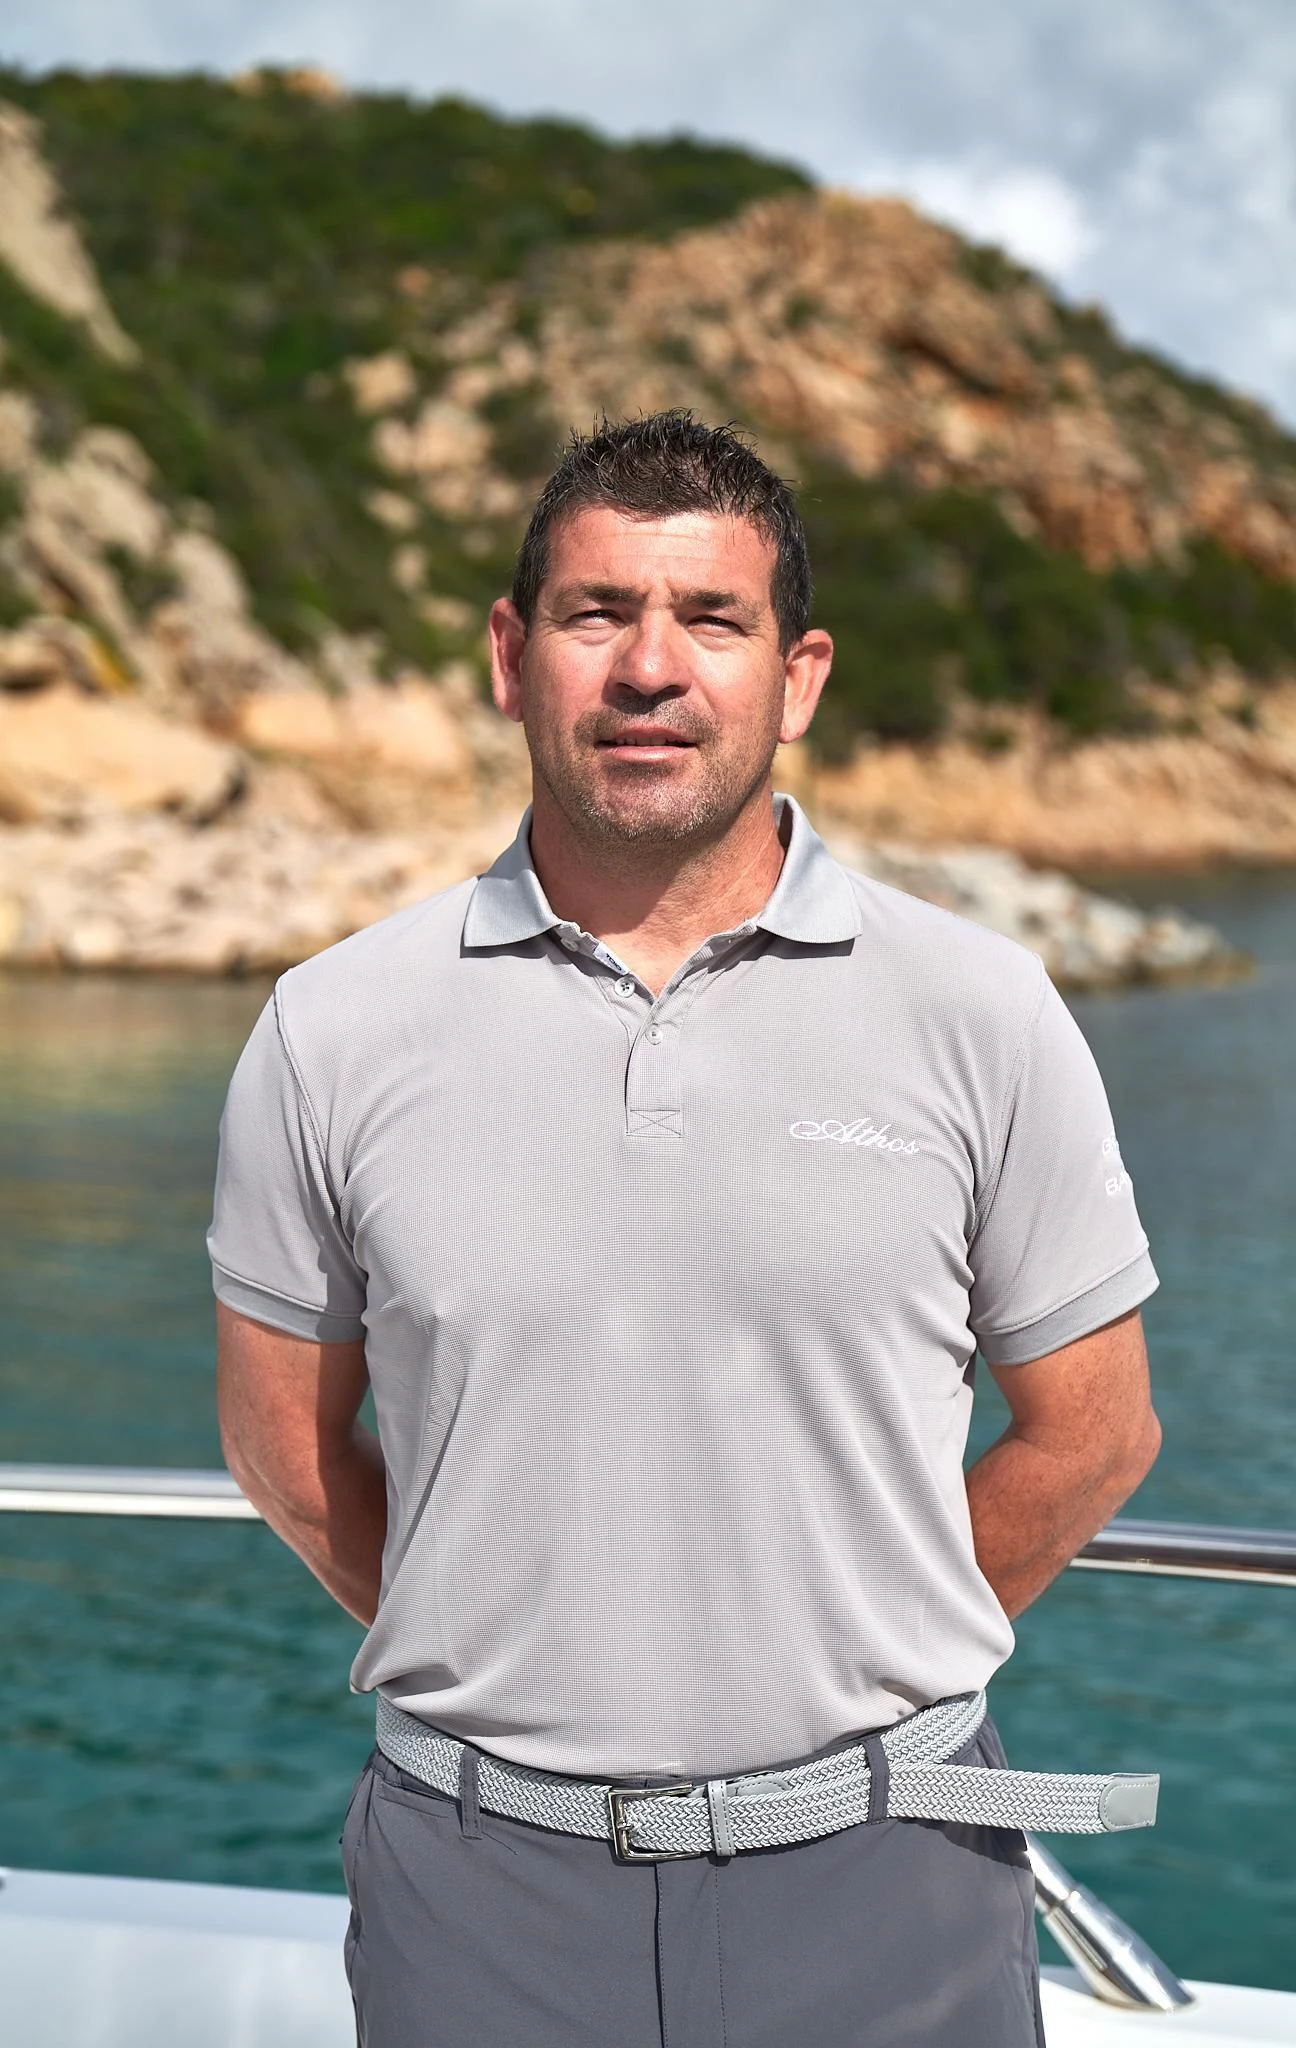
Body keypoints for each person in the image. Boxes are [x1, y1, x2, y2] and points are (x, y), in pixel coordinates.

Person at [209, 410, 1162, 2047]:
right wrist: (521, 1645)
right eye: (597, 616)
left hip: (890, 1871)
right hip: (476, 1888)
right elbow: (290, 1453)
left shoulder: (980, 1010)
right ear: (512, 657)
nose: (651, 670)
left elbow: (1092, 1433)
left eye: (711, 621)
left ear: (795, 676)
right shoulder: (330, 1027)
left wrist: (848, 1657)